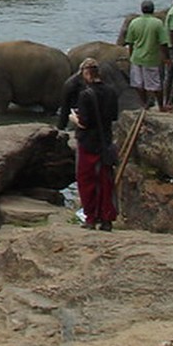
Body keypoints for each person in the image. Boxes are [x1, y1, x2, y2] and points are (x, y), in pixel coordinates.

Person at [66, 57, 120, 230]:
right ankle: (107, 219)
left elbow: (84, 122)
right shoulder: (112, 91)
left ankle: (91, 218)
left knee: (87, 180)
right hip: (106, 141)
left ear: (86, 73)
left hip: (88, 142)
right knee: (105, 180)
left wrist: (73, 118)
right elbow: (113, 116)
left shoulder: (85, 94)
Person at [124, 0, 170, 110]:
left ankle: (144, 104)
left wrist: (131, 55)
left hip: (136, 57)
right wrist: (166, 58)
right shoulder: (157, 23)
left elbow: (130, 42)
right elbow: (163, 42)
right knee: (155, 85)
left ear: (142, 10)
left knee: (138, 84)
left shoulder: (134, 22)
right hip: (151, 58)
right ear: (153, 10)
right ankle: (161, 106)